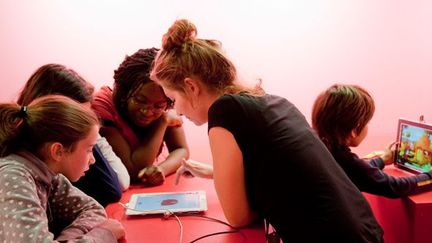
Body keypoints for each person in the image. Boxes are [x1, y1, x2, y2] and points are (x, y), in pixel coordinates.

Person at [150, 19, 384, 242]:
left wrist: (227, 181)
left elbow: (238, 216)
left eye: (173, 98)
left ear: (191, 86)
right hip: (364, 230)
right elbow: (280, 174)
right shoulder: (272, 102)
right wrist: (216, 172)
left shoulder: (224, 110)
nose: (177, 111)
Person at [0, 95, 125, 242]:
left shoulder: (48, 174)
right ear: (58, 151)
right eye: (89, 149)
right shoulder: (12, 177)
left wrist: (69, 240)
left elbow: (93, 210)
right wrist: (102, 236)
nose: (93, 160)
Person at [17, 63, 130, 206]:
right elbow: (110, 191)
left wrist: (91, 136)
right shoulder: (20, 175)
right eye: (80, 119)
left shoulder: (54, 172)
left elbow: (117, 185)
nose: (86, 123)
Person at [311, 84, 432, 197]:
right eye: (367, 122)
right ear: (354, 130)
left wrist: (382, 160)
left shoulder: (321, 149)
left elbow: (361, 172)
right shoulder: (347, 162)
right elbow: (396, 187)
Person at [92, 48, 189, 186]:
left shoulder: (165, 102)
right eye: (139, 100)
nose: (148, 111)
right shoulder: (103, 107)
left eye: (158, 105)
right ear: (124, 91)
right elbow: (134, 170)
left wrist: (160, 169)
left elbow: (182, 150)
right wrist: (162, 121)